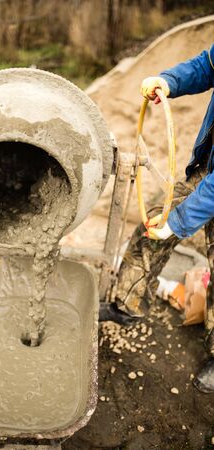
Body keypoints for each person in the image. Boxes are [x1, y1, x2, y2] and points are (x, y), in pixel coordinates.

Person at [99, 44, 214, 393]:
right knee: (152, 226)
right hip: (208, 171)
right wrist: (168, 81)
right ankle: (127, 304)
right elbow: (206, 65)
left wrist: (178, 223)